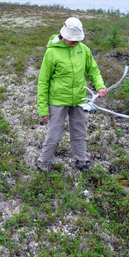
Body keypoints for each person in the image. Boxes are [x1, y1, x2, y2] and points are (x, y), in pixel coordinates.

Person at [37, 17, 107, 172]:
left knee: (80, 132)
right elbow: (43, 81)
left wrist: (100, 86)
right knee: (54, 135)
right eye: (72, 40)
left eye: (77, 40)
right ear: (64, 33)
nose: (74, 43)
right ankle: (44, 162)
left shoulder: (84, 50)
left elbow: (93, 70)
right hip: (58, 101)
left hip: (79, 100)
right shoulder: (51, 52)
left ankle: (82, 159)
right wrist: (42, 108)